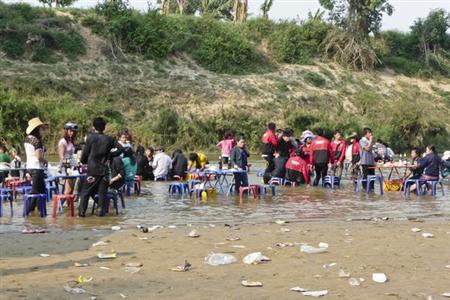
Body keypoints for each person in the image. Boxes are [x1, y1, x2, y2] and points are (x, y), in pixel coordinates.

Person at [78, 117, 122, 217]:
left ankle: (81, 215)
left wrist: (83, 161)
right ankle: (100, 218)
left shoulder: (90, 138)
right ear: (104, 127)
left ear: (94, 127)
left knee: (85, 193)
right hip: (104, 172)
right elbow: (121, 149)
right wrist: (111, 155)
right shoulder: (110, 139)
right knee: (102, 195)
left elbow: (85, 154)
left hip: (92, 170)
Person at [24, 117, 48, 214]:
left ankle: (39, 213)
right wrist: (45, 161)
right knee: (36, 192)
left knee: (40, 190)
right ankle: (29, 211)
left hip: (29, 166)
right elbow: (38, 157)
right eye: (42, 128)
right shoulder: (36, 141)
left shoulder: (27, 139)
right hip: (37, 168)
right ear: (37, 129)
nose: (43, 131)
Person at [58, 122, 79, 194]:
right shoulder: (63, 142)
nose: (72, 133)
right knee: (68, 190)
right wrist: (68, 168)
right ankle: (60, 204)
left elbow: (72, 155)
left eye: (74, 131)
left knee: (71, 190)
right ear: (66, 131)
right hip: (65, 167)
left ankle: (68, 205)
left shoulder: (71, 141)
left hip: (72, 166)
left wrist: (76, 164)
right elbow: (61, 157)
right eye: (70, 131)